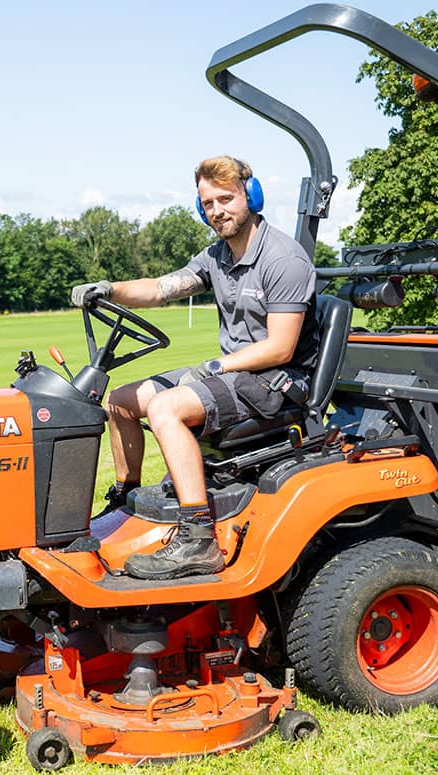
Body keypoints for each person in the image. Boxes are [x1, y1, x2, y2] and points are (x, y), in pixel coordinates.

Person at [69, 156, 319, 580]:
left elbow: (279, 349)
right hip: (236, 373)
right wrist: (110, 289)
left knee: (166, 408)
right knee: (122, 402)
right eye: (208, 204)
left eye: (227, 198)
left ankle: (197, 539)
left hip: (275, 383)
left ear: (251, 196)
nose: (218, 210)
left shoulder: (283, 260)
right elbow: (165, 287)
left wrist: (216, 366)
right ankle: (126, 501)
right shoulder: (217, 256)